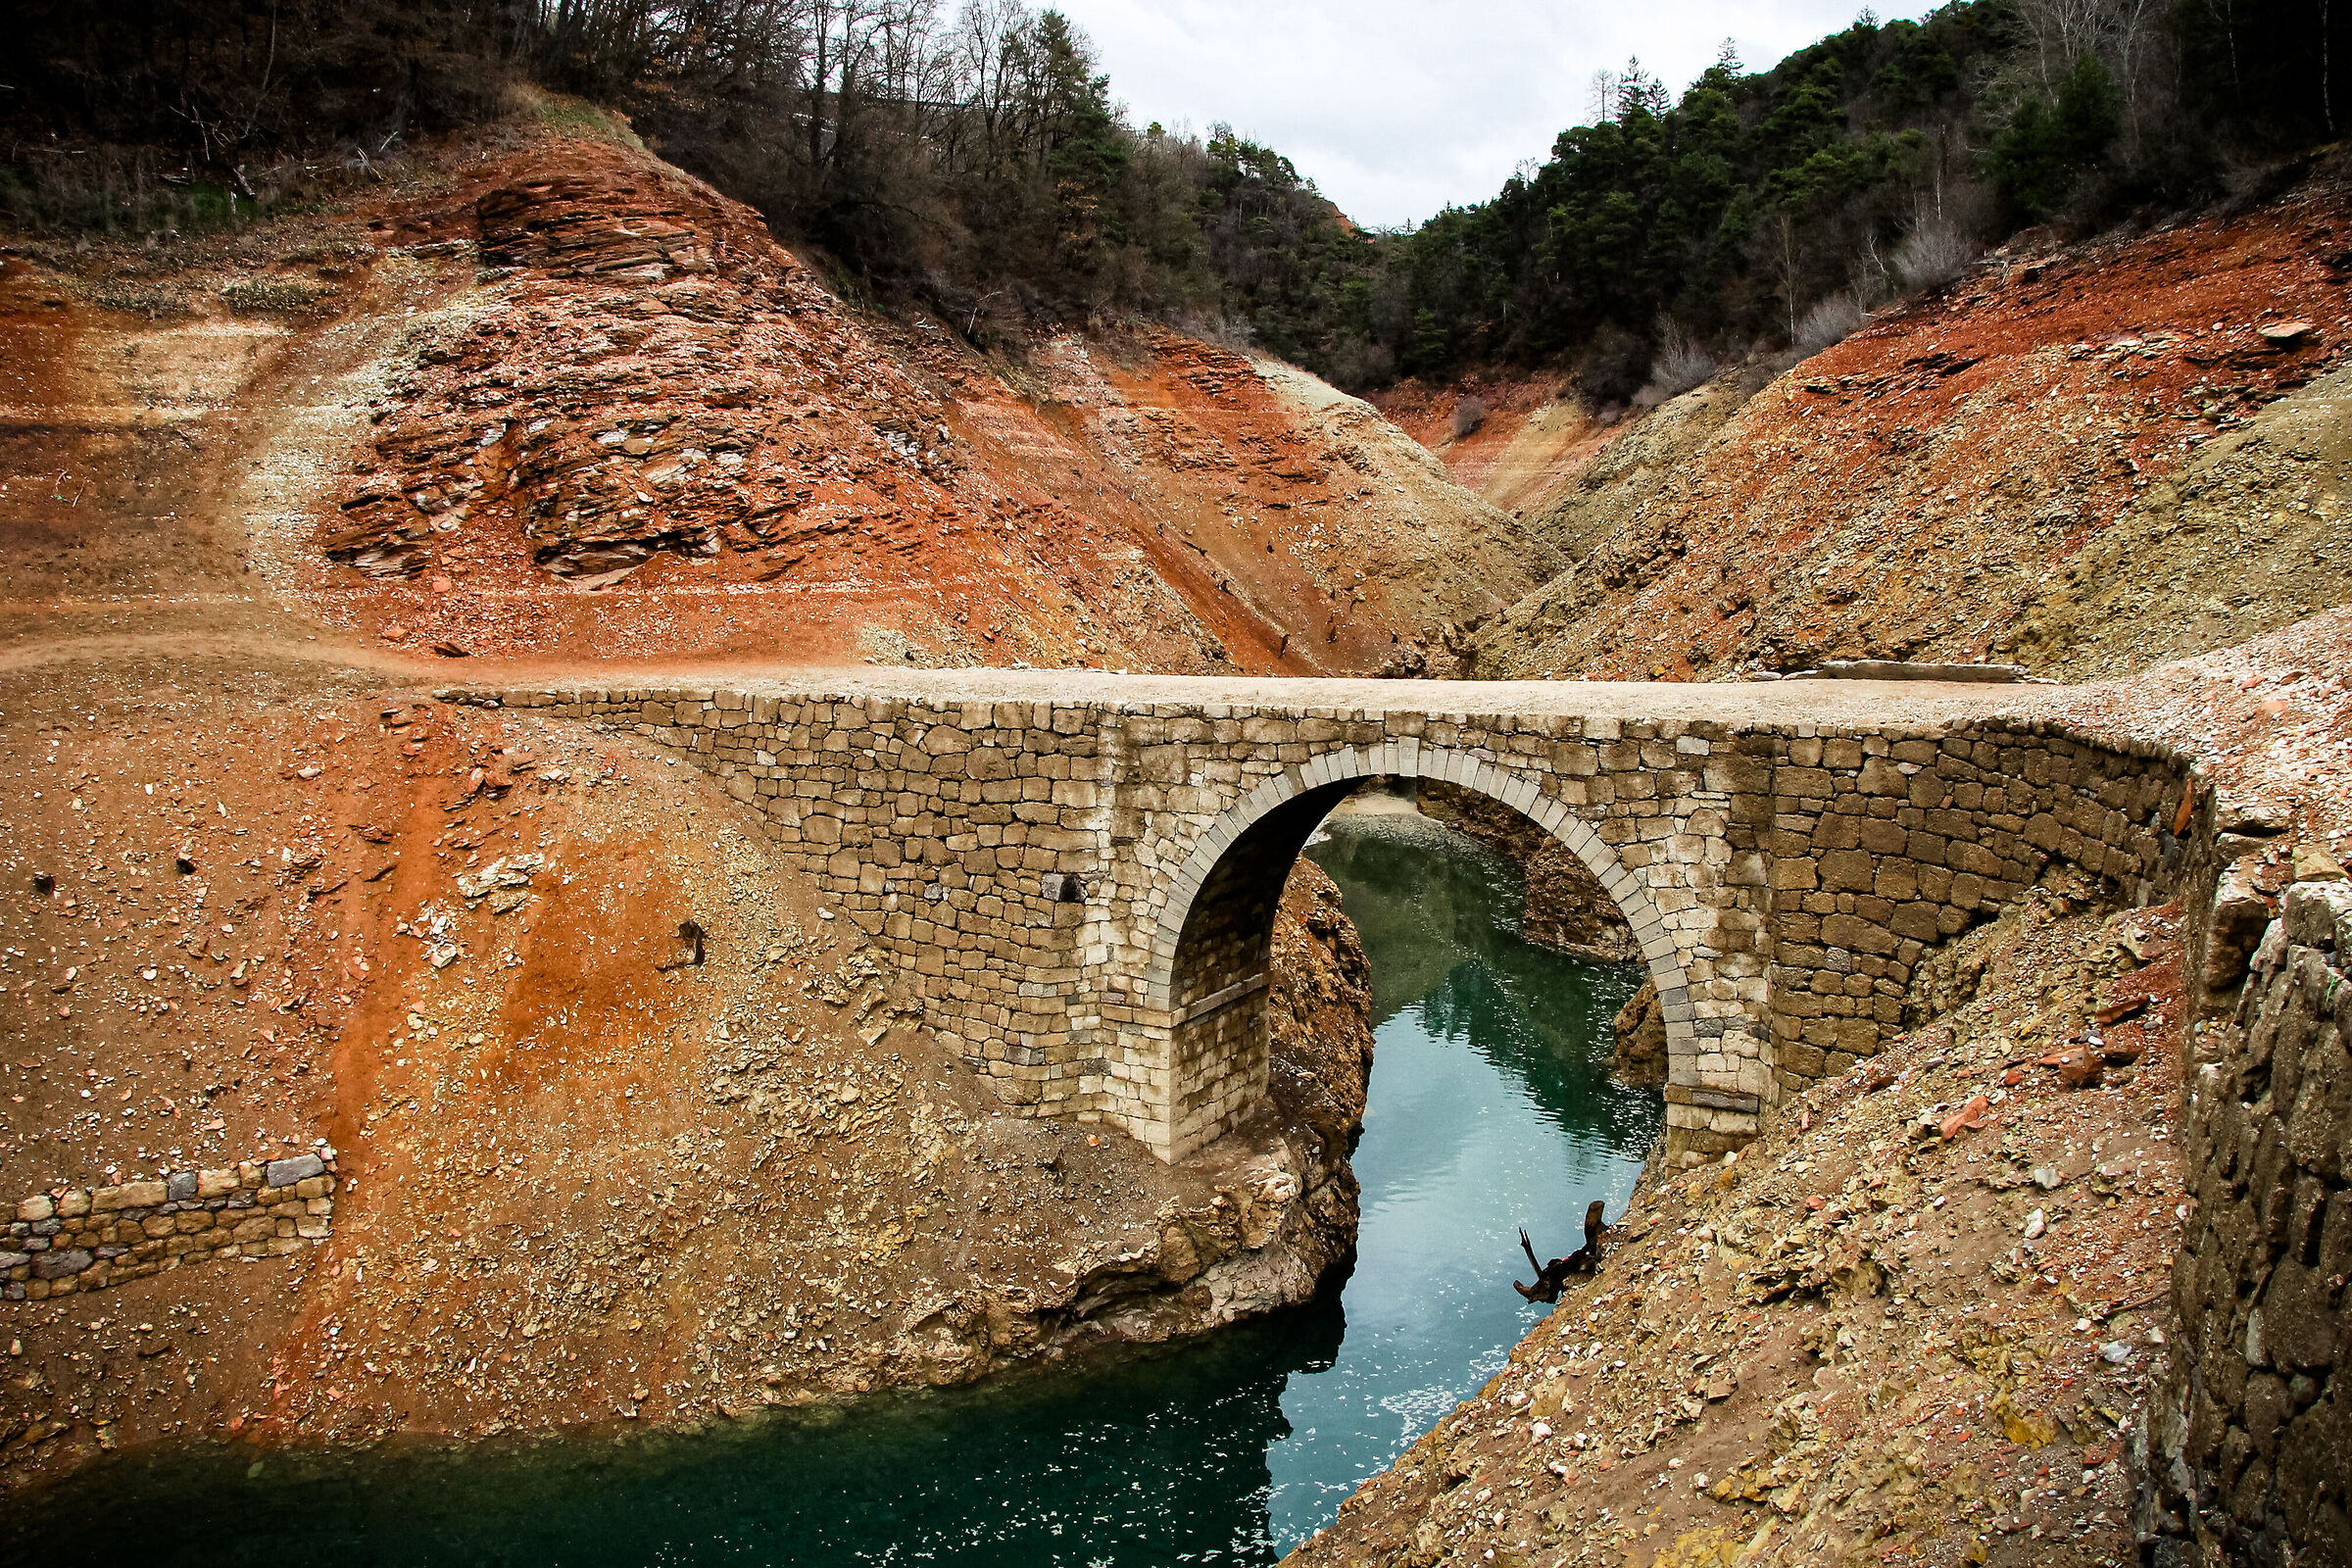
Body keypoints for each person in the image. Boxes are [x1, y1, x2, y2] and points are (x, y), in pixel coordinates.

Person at [1512, 1200, 1608, 1302]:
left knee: (1558, 1268)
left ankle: (1535, 1291)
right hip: (1579, 1259)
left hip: (1584, 1257)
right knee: (1556, 1268)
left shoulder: (1591, 1238)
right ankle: (1535, 1291)